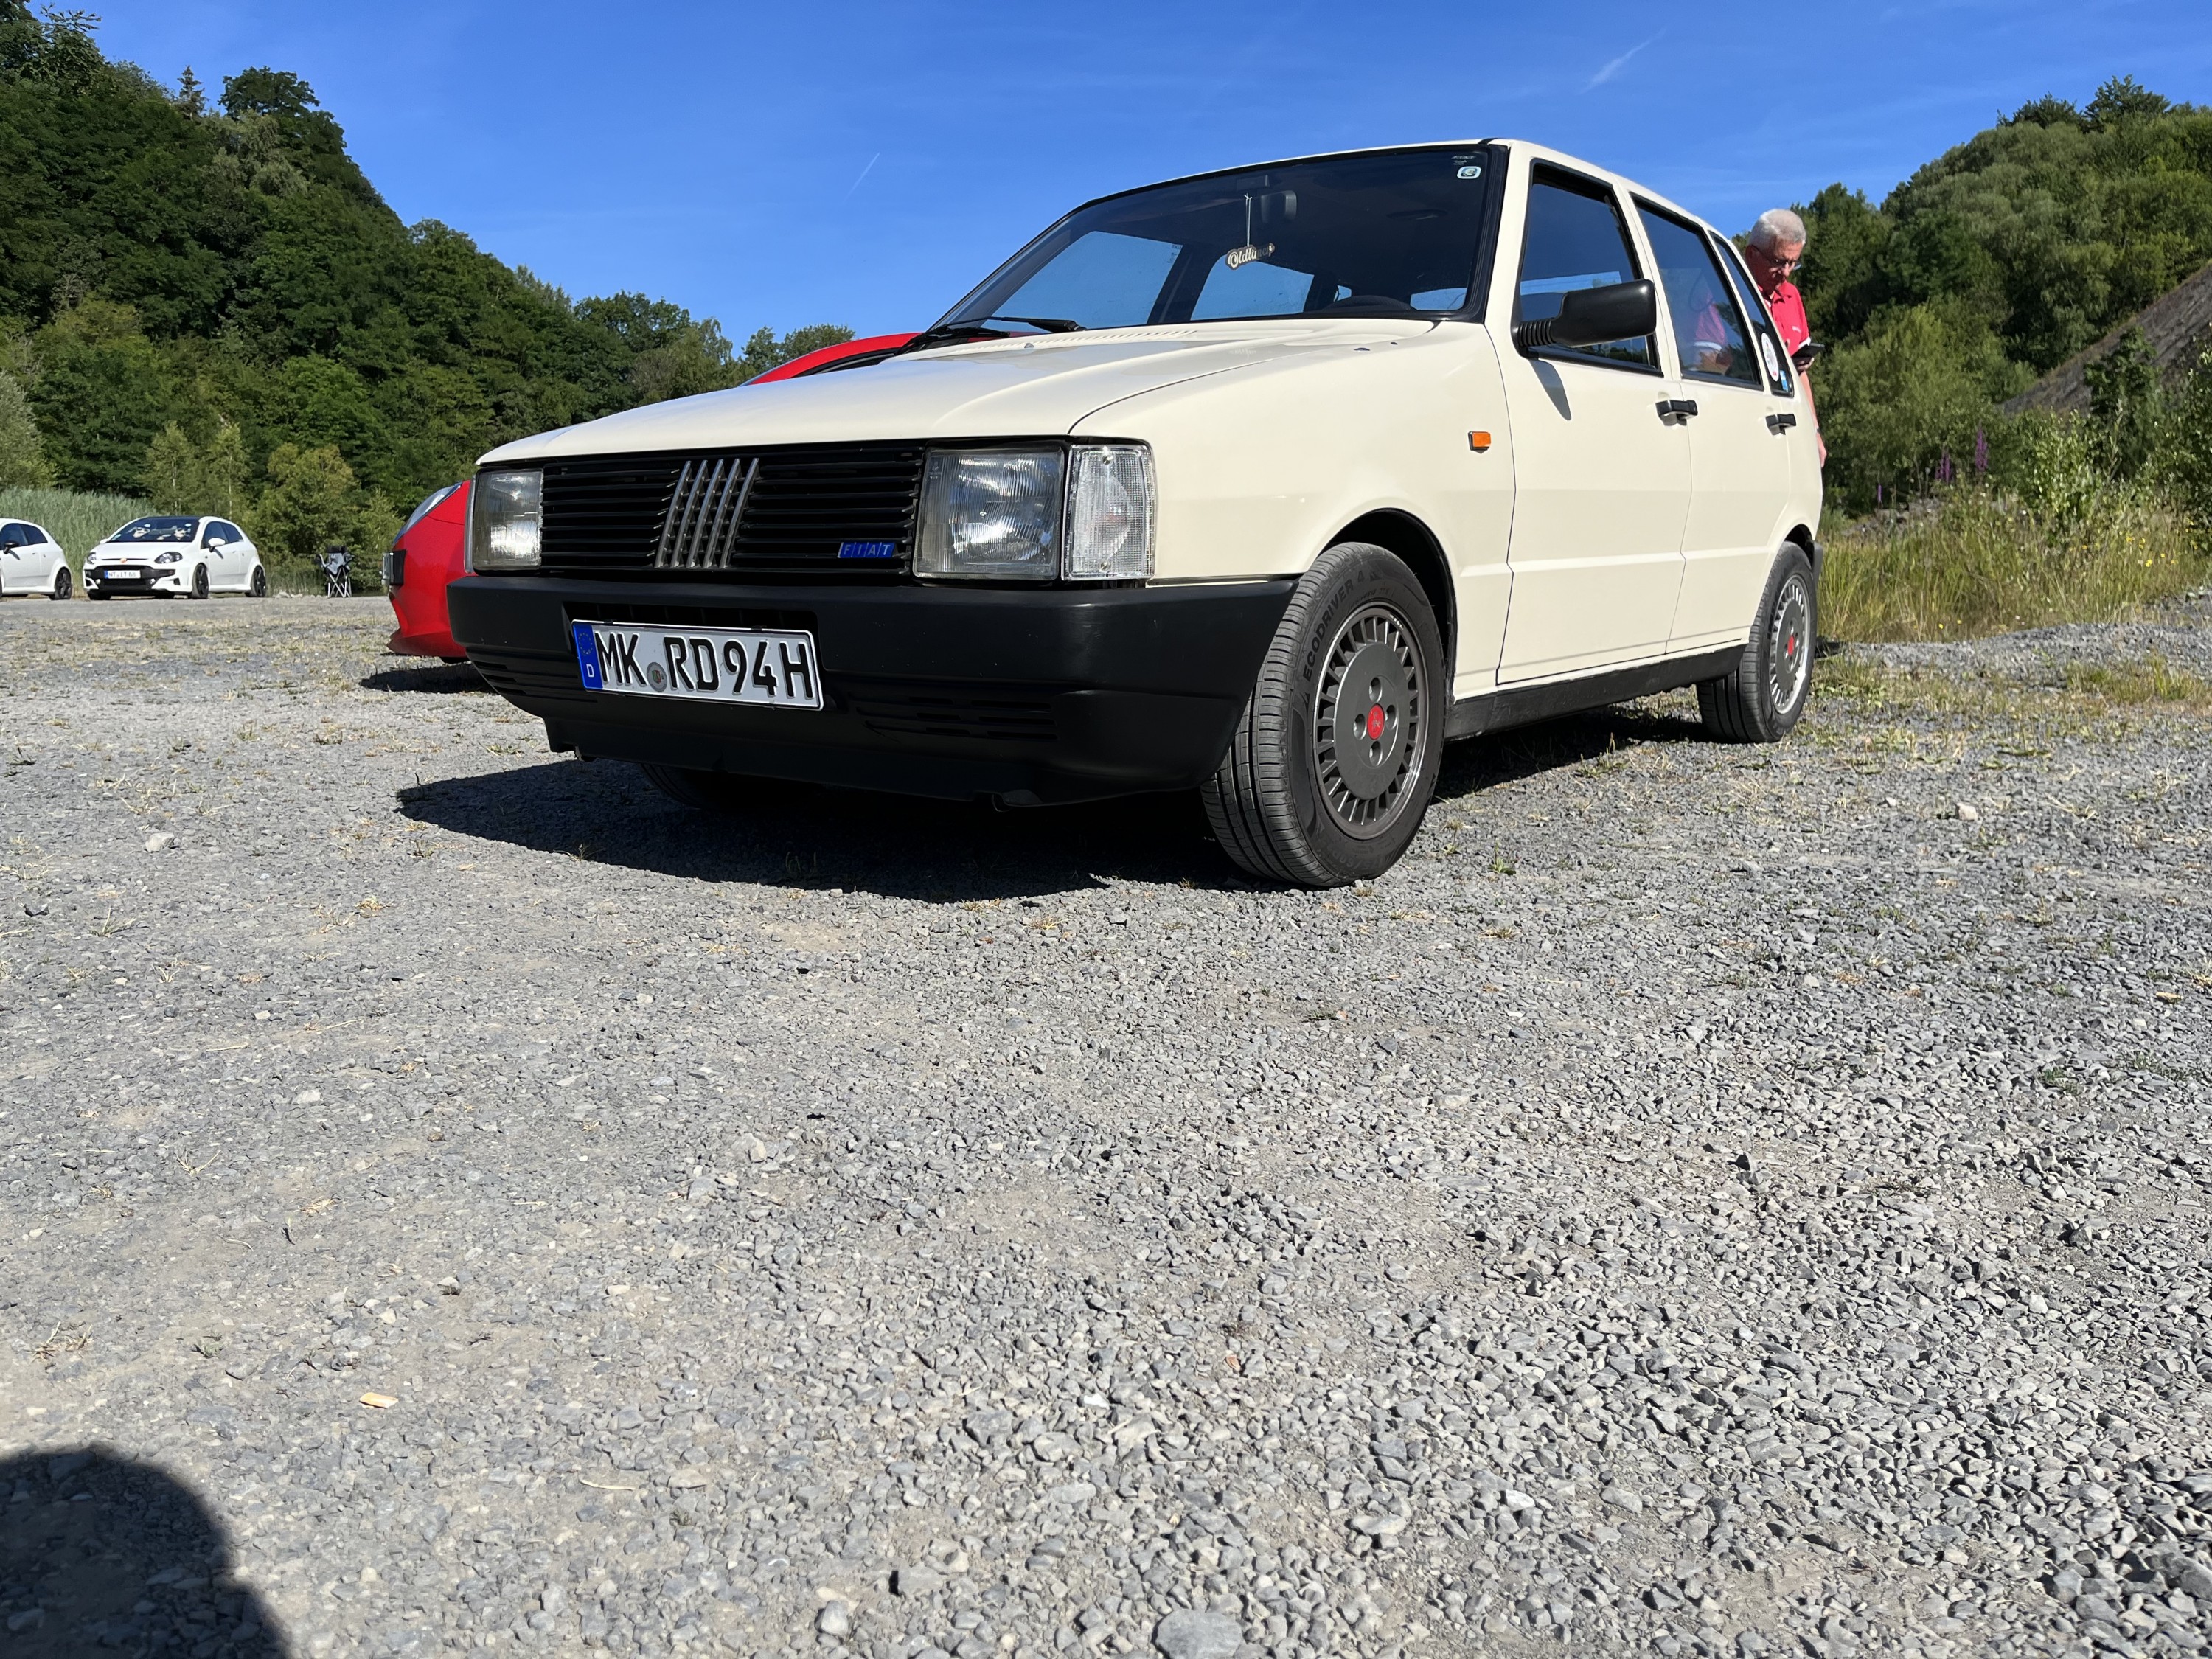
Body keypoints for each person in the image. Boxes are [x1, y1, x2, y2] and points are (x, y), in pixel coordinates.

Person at [1745, 208, 1824, 467]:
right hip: (1750, 427)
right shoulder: (1728, 294)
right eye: (1779, 262)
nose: (1787, 272)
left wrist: (1814, 431)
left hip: (1789, 425)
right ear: (1751, 255)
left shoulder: (1792, 296)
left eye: (1793, 263)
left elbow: (1801, 374)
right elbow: (1705, 361)